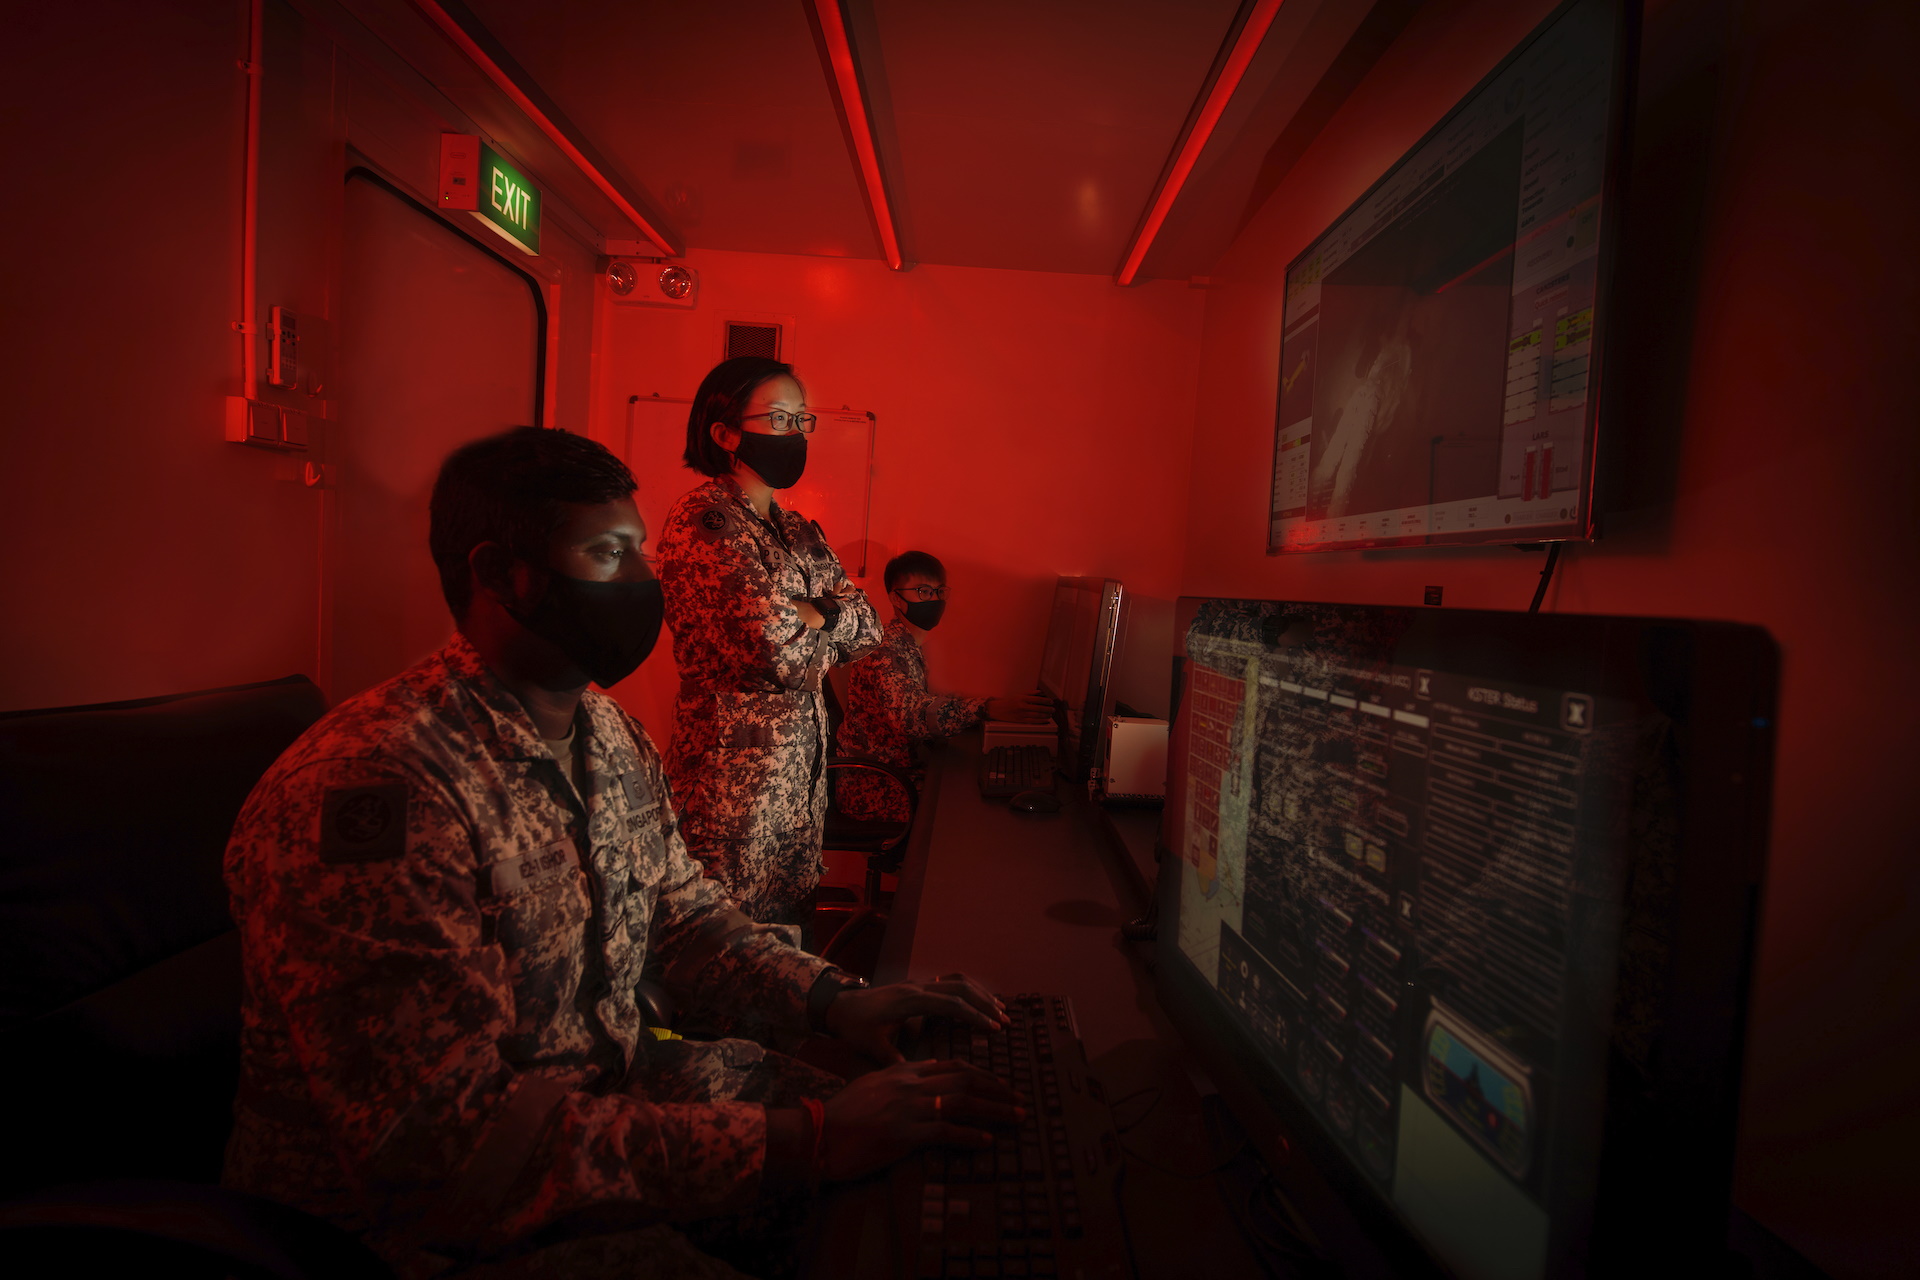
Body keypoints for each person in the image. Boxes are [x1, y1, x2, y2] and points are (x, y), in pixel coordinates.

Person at [222, 426, 1018, 1278]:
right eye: (609, 554)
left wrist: (835, 999)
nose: (648, 578)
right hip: (431, 1224)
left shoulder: (607, 734)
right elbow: (443, 1149)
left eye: (637, 548)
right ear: (501, 574)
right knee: (858, 1211)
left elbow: (685, 918)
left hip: (613, 1089)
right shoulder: (382, 787)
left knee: (934, 1147)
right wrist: (808, 1142)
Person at [657, 357, 883, 937]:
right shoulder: (706, 523)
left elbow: (869, 630)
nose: (796, 433)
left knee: (790, 950)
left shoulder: (797, 529)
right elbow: (779, 656)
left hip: (797, 789)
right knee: (727, 952)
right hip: (735, 793)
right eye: (779, 419)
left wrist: (814, 614)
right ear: (726, 433)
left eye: (802, 419)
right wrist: (824, 614)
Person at [837, 551, 1054, 823]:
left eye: (940, 591)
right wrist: (987, 709)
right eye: (924, 592)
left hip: (901, 772)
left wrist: (993, 705)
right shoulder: (884, 651)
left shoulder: (908, 645)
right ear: (896, 599)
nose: (935, 600)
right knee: (971, 812)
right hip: (876, 786)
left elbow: (928, 698)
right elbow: (913, 717)